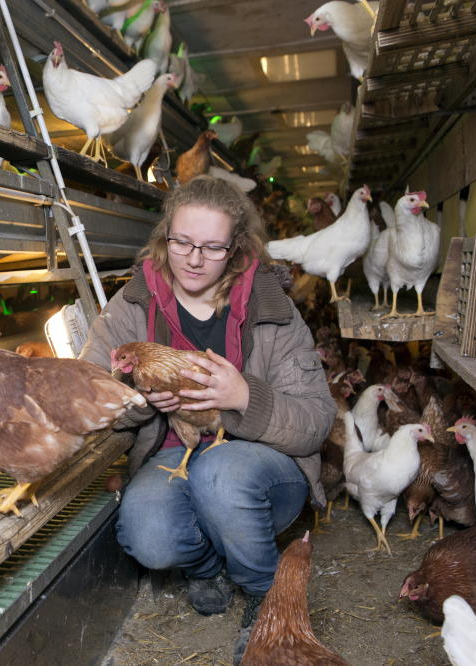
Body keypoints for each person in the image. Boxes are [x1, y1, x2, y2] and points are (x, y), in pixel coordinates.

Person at [79, 175, 335, 664]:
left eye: (212, 247)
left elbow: (317, 422)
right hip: (173, 452)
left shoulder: (273, 313)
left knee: (219, 474)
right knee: (147, 533)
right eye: (182, 242)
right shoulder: (131, 307)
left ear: (236, 248)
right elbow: (89, 395)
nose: (194, 258)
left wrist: (244, 396)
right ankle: (205, 563)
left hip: (261, 467)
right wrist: (141, 399)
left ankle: (266, 594)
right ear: (164, 238)